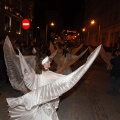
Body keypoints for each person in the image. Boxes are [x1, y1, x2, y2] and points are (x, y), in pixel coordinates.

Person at [5, 36, 101, 120]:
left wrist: (26, 76)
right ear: (43, 64)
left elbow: (30, 84)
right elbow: (64, 80)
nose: (50, 63)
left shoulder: (37, 73)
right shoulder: (47, 74)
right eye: (48, 62)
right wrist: (81, 70)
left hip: (40, 103)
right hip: (46, 104)